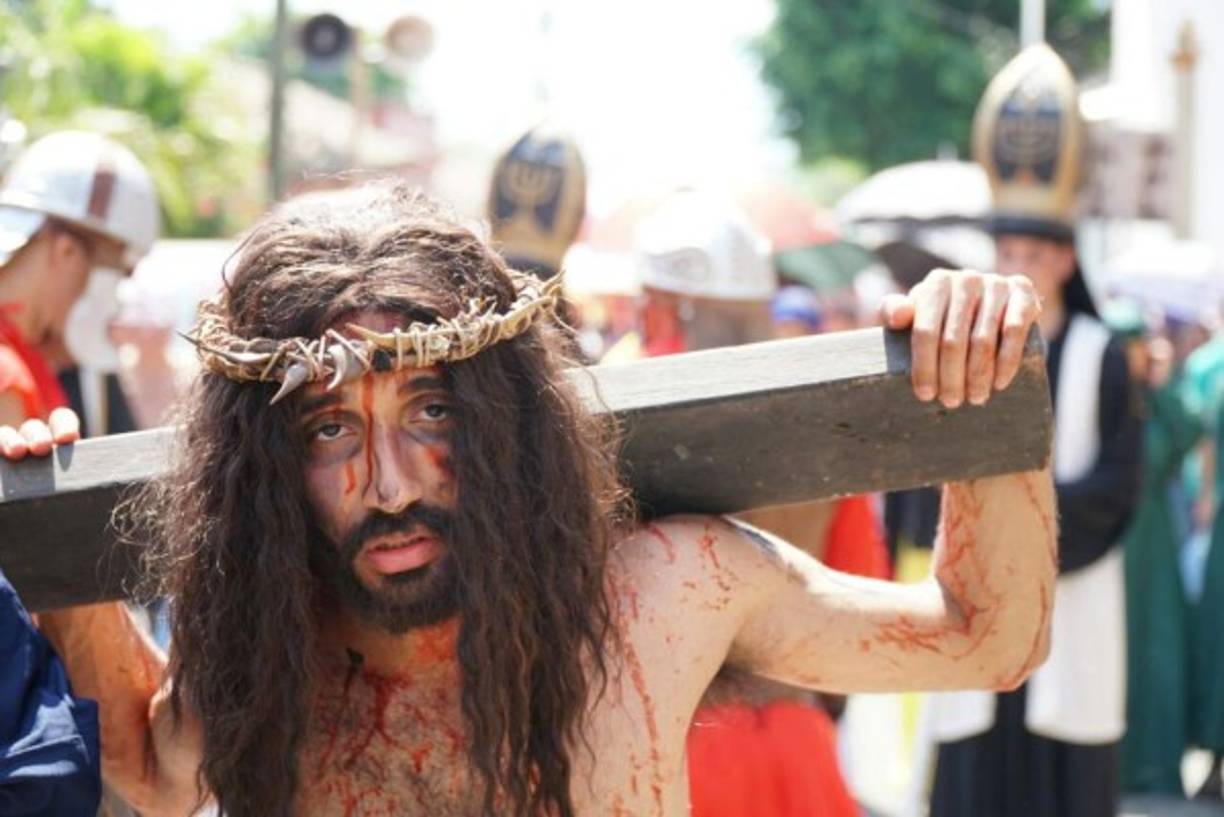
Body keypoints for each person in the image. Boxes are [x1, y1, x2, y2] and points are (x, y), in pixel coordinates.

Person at [17, 181, 1055, 817]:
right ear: (264, 465)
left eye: (432, 411)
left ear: (502, 417)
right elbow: (154, 769)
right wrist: (51, 536)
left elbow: (982, 637)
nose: (391, 484)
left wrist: (981, 386)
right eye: (329, 429)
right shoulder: (270, 636)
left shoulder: (663, 592)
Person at [926, 44, 1143, 817]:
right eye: (1005, 250)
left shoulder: (1101, 353)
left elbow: (1120, 485)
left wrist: (1025, 529)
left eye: (1032, 252)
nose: (1016, 265)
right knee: (978, 750)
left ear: (1062, 258)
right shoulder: (960, 348)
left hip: (1068, 588)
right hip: (980, 591)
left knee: (1062, 758)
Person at [0, 130, 159, 814]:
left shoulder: (32, 360)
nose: (116, 300)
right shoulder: (7, 373)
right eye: (114, 274)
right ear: (64, 249)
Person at [1100, 302, 1198, 796]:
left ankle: (1156, 765)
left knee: (1158, 650)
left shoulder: (1155, 400)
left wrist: (1160, 385)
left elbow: (1186, 435)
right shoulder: (1099, 399)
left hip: (1154, 540)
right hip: (1111, 542)